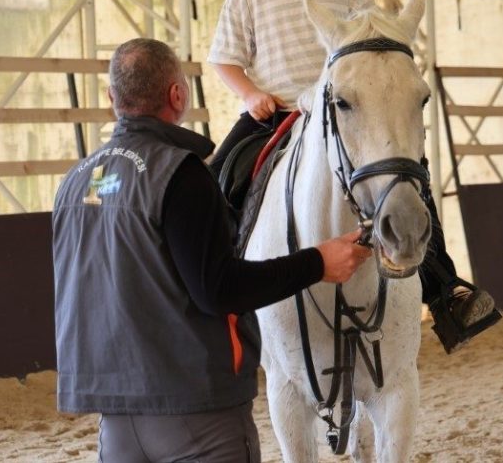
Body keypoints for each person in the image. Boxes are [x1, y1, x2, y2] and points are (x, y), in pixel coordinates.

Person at [207, 0, 500, 353]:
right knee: (219, 181)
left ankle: (445, 290)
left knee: (410, 176)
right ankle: (219, 301)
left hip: (343, 113)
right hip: (276, 114)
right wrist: (250, 95)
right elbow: (224, 60)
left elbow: (370, 37)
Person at [52, 38, 373, 462]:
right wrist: (317, 262)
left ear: (112, 97)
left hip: (114, 418)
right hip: (196, 413)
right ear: (177, 95)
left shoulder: (75, 181)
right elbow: (218, 289)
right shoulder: (180, 173)